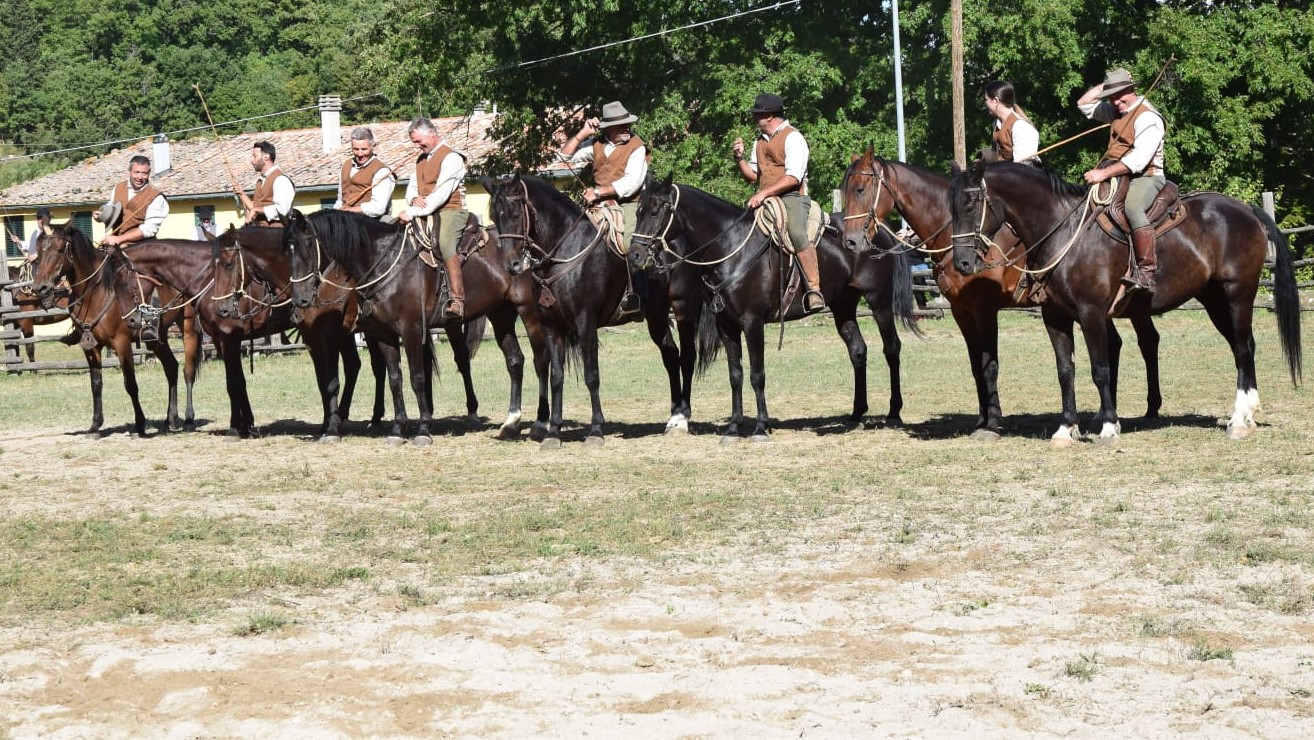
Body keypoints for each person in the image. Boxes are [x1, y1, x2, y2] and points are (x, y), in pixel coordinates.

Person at [731, 93, 824, 313]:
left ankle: (814, 289)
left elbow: (793, 177)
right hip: (766, 198)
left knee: (797, 233)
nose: (755, 118)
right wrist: (739, 159)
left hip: (792, 197)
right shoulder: (759, 142)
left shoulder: (794, 138)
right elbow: (753, 176)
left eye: (758, 115)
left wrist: (763, 195)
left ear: (770, 116)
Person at [1078, 67, 1167, 293]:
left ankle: (1146, 272)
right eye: (1111, 97)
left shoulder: (1148, 116)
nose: (1116, 101)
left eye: (1120, 95)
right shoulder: (1118, 111)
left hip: (1147, 176)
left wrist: (1101, 174)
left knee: (1133, 207)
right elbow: (1084, 104)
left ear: (1131, 90)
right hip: (1120, 174)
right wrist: (1107, 86)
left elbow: (1138, 160)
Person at [560, 100, 648, 314]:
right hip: (598, 206)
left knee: (629, 244)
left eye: (628, 124)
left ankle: (636, 295)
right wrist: (582, 133)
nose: (627, 128)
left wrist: (598, 192)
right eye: (621, 126)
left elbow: (631, 183)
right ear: (608, 129)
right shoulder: (597, 145)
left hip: (628, 204)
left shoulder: (637, 146)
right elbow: (564, 156)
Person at [397, 117, 469, 320]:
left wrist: (412, 212)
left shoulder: (452, 158)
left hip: (451, 210)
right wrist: (413, 198)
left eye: (419, 141)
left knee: (446, 243)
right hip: (425, 210)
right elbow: (411, 187)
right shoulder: (420, 160)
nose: (417, 146)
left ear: (432, 133)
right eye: (415, 143)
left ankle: (457, 300)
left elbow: (441, 195)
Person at [94, 156, 169, 247]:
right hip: (115, 245)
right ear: (130, 171)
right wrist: (101, 216)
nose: (140, 177)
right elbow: (112, 209)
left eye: (144, 173)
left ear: (149, 174)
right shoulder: (118, 188)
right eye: (136, 172)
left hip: (142, 247)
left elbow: (149, 229)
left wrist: (119, 239)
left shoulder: (156, 197)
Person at [333, 127, 395, 218]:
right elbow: (340, 200)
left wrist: (350, 211)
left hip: (371, 223)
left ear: (372, 147)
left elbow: (379, 208)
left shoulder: (382, 171)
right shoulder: (345, 166)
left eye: (364, 149)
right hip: (346, 221)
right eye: (356, 149)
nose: (360, 154)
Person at [234, 141, 295, 226]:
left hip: (277, 235)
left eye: (254, 156)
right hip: (261, 232)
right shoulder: (260, 181)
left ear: (266, 157)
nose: (251, 160)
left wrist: (256, 210)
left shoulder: (281, 180)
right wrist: (241, 193)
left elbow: (281, 210)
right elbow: (254, 207)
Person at [984, 80, 1040, 164]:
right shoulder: (996, 124)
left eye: (986, 99)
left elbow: (1023, 169)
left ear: (995, 101)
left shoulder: (1021, 128)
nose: (985, 103)